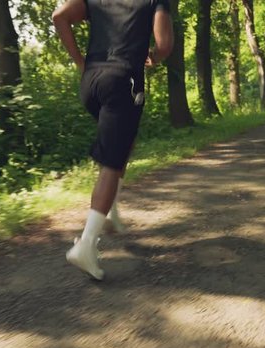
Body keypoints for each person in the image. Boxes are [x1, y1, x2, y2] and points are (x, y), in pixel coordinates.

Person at [52, 0, 174, 280]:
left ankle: (110, 212)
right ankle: (86, 244)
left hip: (91, 83)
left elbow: (60, 17)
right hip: (123, 81)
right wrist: (154, 57)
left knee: (121, 143)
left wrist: (81, 62)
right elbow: (165, 45)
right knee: (112, 159)